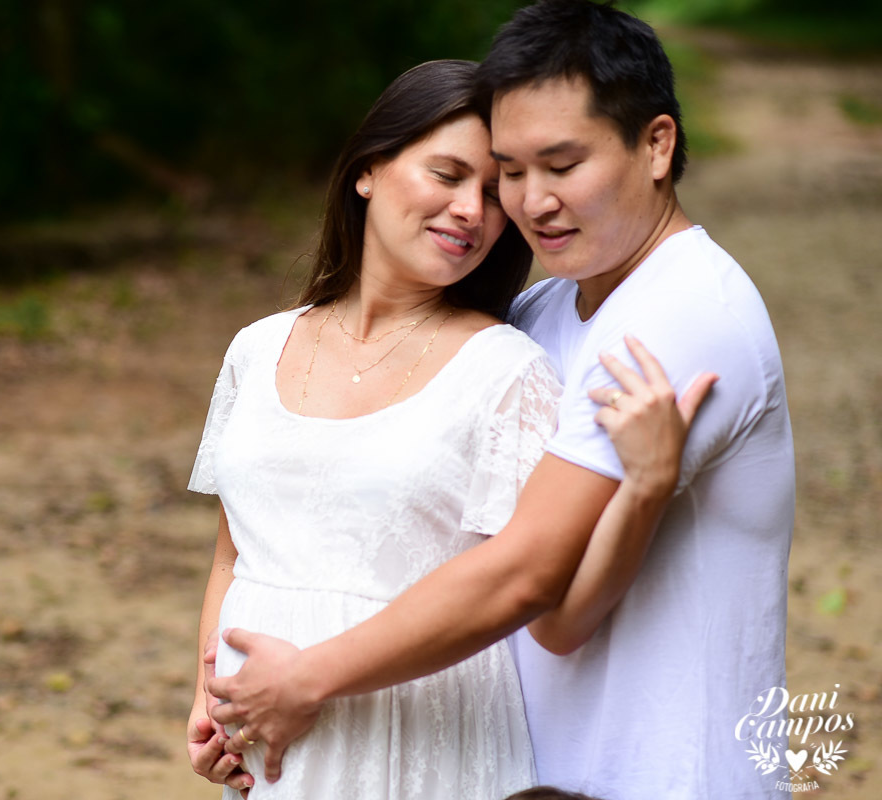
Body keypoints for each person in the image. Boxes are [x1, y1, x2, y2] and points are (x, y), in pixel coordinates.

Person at [208, 3, 794, 799]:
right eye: (513, 169)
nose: (527, 202)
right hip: (532, 769)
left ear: (657, 145)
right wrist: (225, 701)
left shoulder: (684, 314)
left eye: (562, 165)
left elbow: (529, 582)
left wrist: (304, 679)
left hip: (669, 772)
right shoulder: (542, 313)